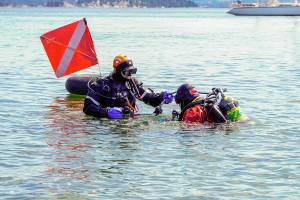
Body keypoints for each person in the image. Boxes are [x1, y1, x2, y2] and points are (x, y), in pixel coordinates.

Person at [83, 54, 174, 119]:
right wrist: (106, 113)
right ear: (119, 71)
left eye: (133, 71)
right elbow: (88, 108)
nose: (130, 75)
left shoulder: (132, 83)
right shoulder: (101, 85)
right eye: (128, 71)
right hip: (106, 126)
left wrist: (161, 97)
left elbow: (149, 99)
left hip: (129, 121)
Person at [174, 84, 242, 124]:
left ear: (184, 100)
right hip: (238, 121)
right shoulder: (206, 103)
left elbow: (188, 130)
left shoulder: (192, 112)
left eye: (180, 103)